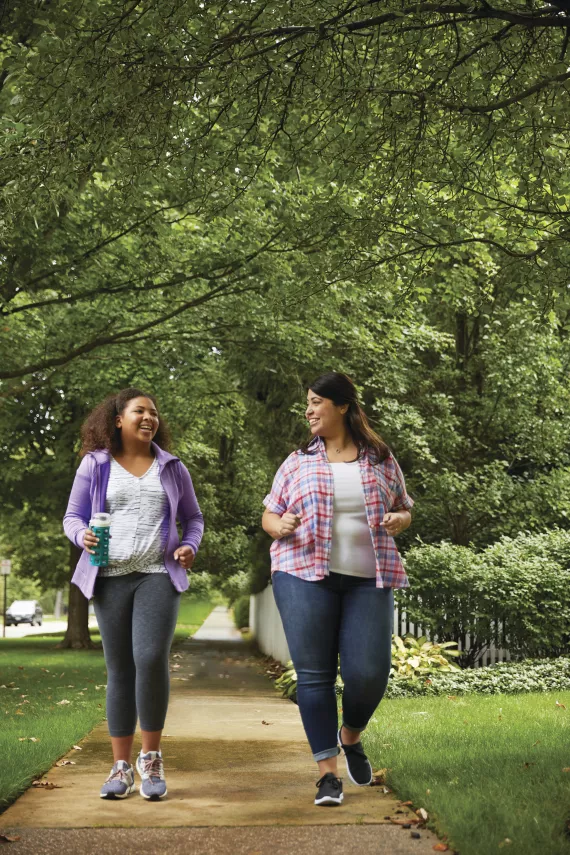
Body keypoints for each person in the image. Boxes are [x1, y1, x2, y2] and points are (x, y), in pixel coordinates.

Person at [262, 372, 413, 807]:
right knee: (314, 675)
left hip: (368, 577)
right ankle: (327, 774)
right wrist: (280, 524)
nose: (309, 411)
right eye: (307, 403)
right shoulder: (296, 461)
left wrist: (400, 520)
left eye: (316, 402)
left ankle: (350, 735)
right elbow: (270, 516)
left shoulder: (380, 457)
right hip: (302, 573)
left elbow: (404, 507)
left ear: (342, 406)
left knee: (369, 673)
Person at [63, 387, 204, 801]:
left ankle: (151, 756)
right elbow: (72, 515)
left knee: (150, 657)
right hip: (109, 575)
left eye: (154, 413)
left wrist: (189, 546)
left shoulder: (172, 467)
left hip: (157, 572)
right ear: (118, 419)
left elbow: (193, 518)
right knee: (119, 666)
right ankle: (121, 766)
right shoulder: (96, 464)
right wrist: (81, 534)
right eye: (140, 411)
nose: (149, 418)